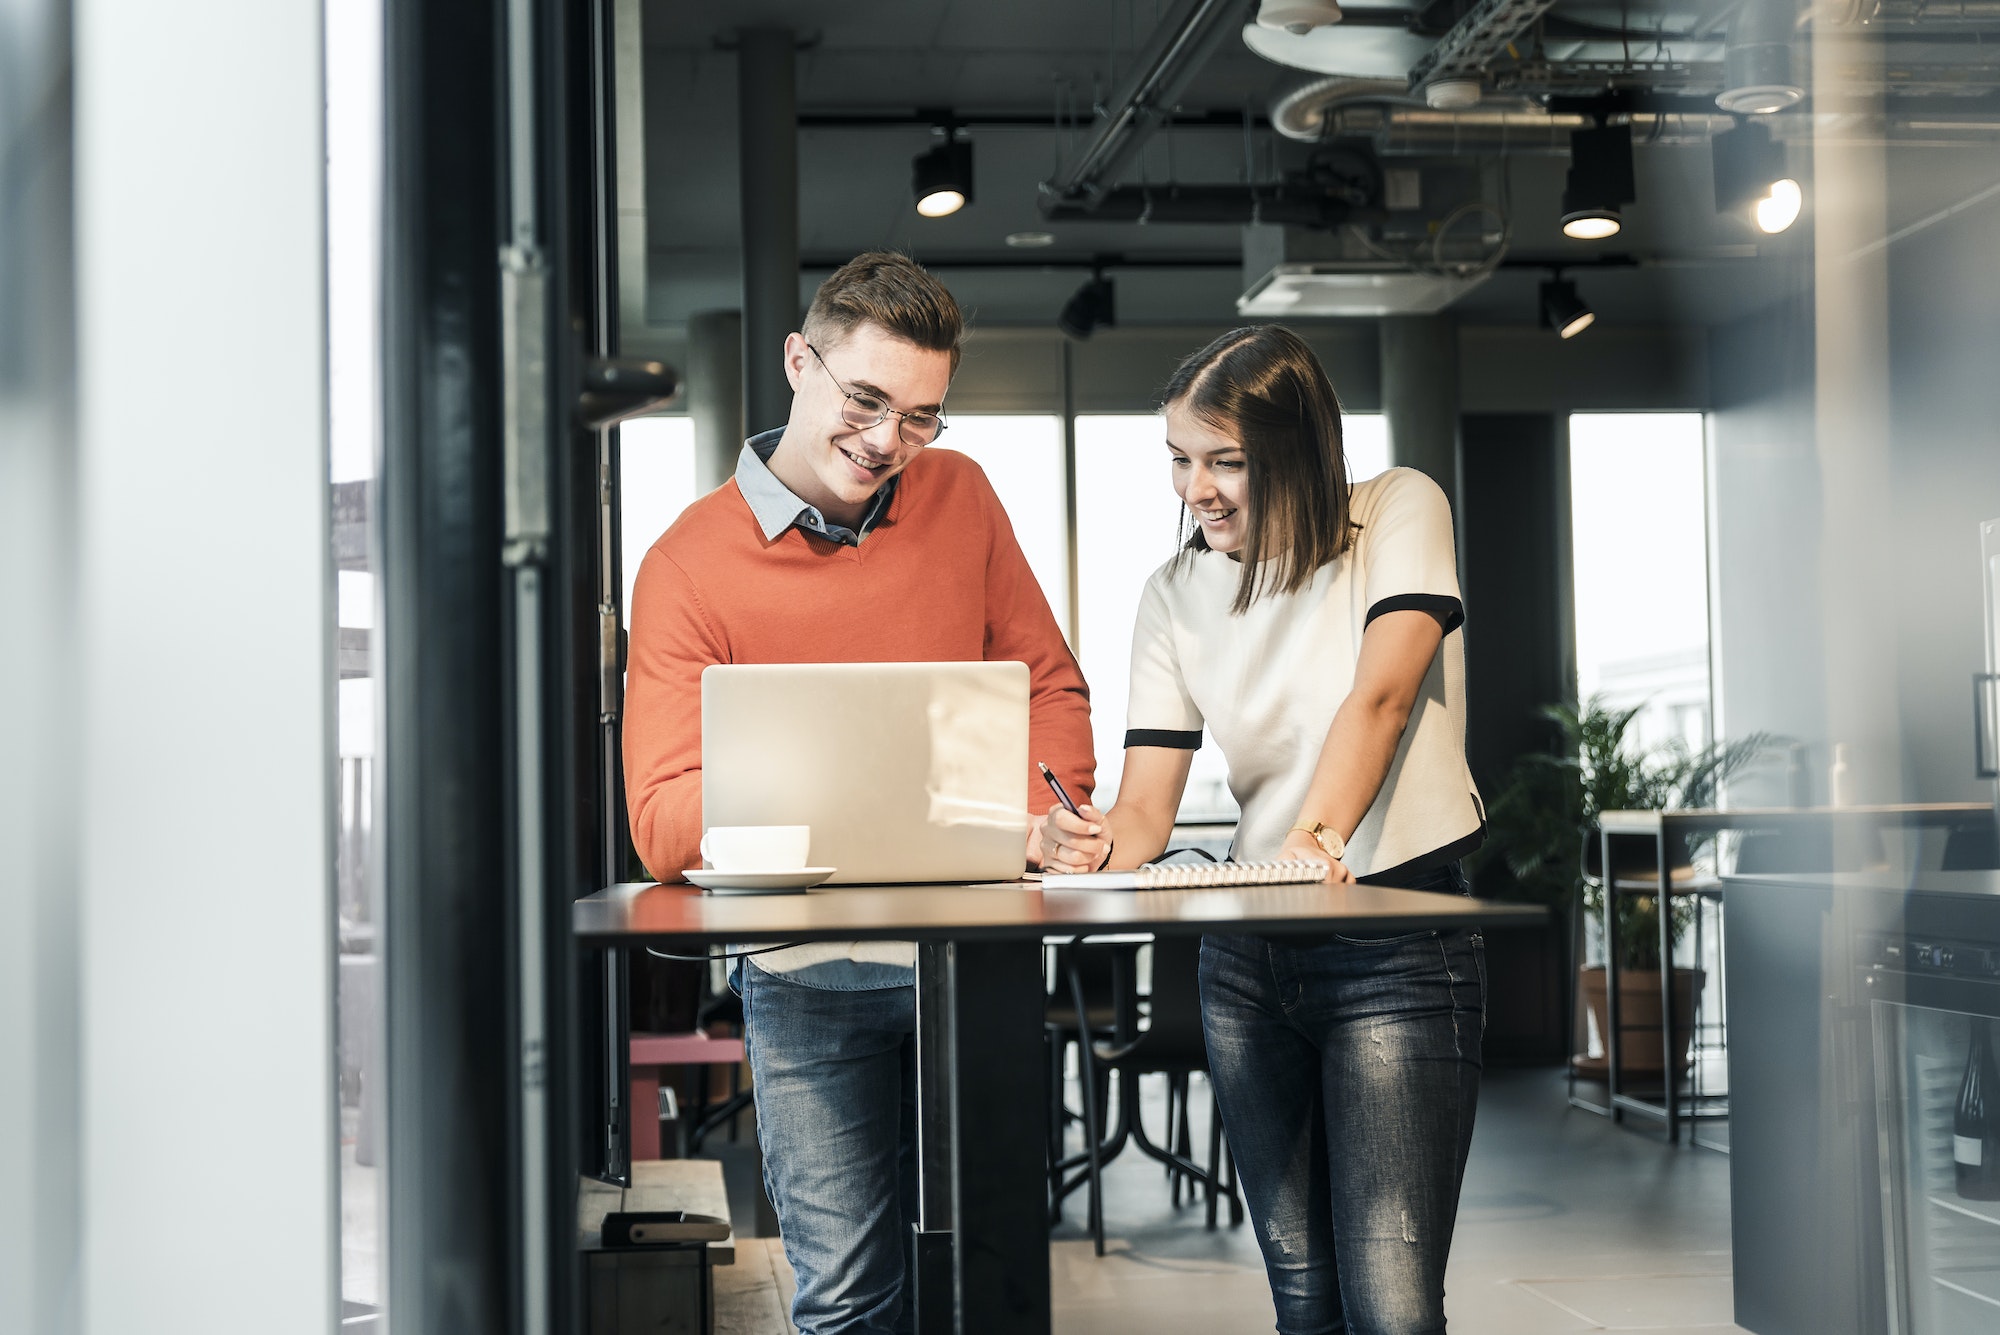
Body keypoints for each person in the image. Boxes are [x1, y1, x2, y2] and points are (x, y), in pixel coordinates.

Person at [622, 251, 1094, 1335]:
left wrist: (1046, 811)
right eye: (864, 399)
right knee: (846, 1302)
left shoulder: (960, 496)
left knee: (994, 1285)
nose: (887, 441)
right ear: (800, 362)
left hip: (972, 963)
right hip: (803, 980)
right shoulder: (686, 565)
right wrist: (866, 797)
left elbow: (1050, 690)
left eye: (921, 416)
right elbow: (659, 820)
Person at [1041, 325, 1486, 1335]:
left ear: (1296, 448)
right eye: (1177, 460)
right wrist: (1080, 842)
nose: (1192, 488)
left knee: (1391, 1306)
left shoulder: (1396, 510)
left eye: (1223, 462)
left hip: (1392, 940)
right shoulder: (1172, 592)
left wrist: (1311, 839)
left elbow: (1378, 697)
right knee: (1303, 1299)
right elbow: (1145, 810)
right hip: (1245, 959)